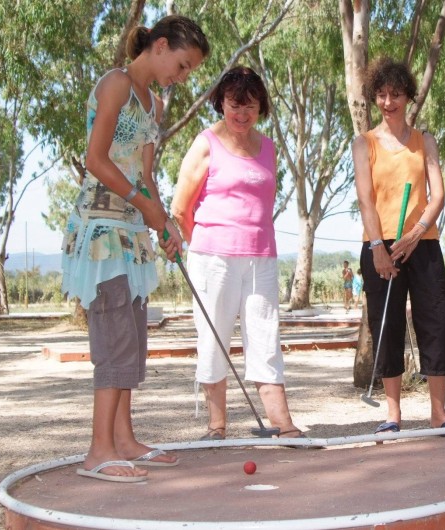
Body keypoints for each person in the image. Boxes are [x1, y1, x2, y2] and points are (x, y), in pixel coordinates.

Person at [61, 15, 209, 482]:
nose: (182, 77)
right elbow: (95, 159)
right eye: (182, 65)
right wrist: (143, 205)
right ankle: (97, 450)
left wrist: (164, 223)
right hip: (102, 232)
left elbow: (147, 177)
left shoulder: (152, 104)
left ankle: (124, 439)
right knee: (115, 340)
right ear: (160, 46)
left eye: (188, 72)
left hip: (133, 236)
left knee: (134, 338)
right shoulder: (116, 86)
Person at [171, 66, 306, 443]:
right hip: (213, 259)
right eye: (234, 105)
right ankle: (216, 427)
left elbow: (262, 204)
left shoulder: (269, 148)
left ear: (260, 106)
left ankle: (283, 424)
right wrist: (206, 248)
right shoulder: (205, 143)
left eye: (250, 106)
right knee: (213, 339)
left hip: (262, 257)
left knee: (266, 335)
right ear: (221, 104)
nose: (242, 114)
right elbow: (181, 210)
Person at [352, 57, 445, 434]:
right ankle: (392, 414)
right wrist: (379, 246)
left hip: (423, 242)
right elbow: (366, 199)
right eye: (380, 94)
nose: (388, 102)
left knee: (433, 321)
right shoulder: (363, 143)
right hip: (381, 245)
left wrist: (418, 231)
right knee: (388, 326)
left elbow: (438, 193)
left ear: (408, 97)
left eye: (395, 94)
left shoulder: (423, 140)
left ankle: (438, 413)